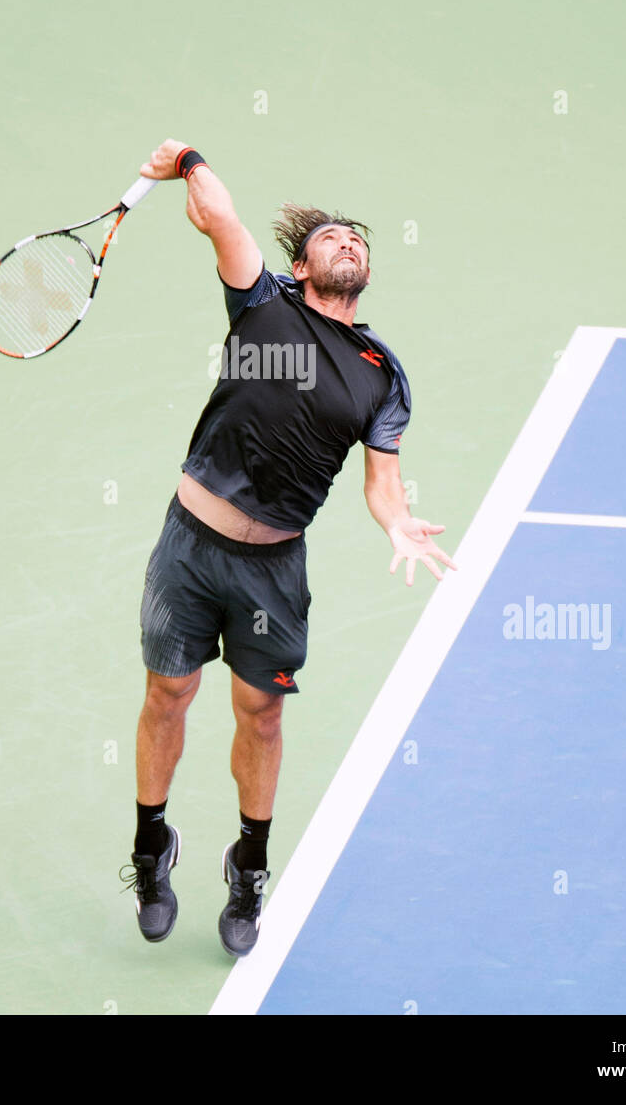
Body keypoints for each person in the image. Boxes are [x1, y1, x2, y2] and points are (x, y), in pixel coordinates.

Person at [122, 138, 455, 956]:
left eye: (359, 241)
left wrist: (397, 520)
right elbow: (219, 216)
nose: (349, 243)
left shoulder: (382, 373)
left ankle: (249, 866)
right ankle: (149, 845)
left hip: (273, 567)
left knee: (261, 714)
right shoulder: (261, 304)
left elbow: (383, 480)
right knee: (169, 693)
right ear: (301, 265)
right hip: (188, 548)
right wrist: (190, 161)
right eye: (333, 237)